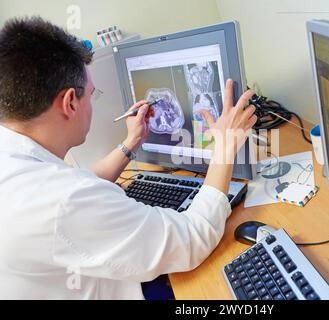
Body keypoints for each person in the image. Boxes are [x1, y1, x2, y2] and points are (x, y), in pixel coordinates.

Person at [0, 17, 257, 299]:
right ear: (69, 102)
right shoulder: (64, 202)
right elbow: (191, 239)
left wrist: (130, 143)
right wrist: (224, 148)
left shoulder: (14, 158)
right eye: (92, 94)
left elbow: (75, 184)